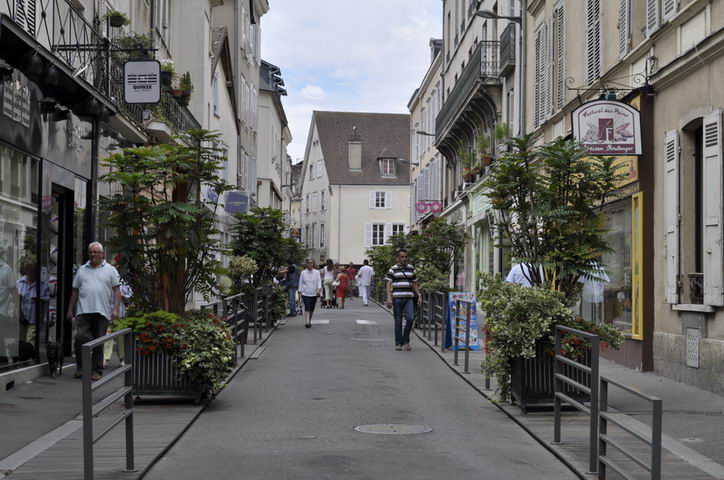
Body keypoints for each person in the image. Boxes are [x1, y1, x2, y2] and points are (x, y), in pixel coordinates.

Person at [66, 242, 121, 381]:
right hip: (83, 311)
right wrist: (70, 309)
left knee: (98, 341)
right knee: (80, 338)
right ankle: (80, 367)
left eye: (96, 252)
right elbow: (75, 291)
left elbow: (117, 290)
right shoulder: (82, 270)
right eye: (91, 252)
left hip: (102, 312)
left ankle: (96, 370)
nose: (93, 254)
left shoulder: (110, 270)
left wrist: (115, 309)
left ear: (102, 254)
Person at [386, 249, 422, 351]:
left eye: (406, 257)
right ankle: (398, 343)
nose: (404, 259)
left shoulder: (411, 268)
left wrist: (419, 295)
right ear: (398, 258)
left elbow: (414, 283)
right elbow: (388, 284)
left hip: (408, 298)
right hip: (397, 298)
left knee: (410, 319)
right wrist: (389, 297)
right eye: (402, 257)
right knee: (398, 322)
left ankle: (406, 340)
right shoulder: (393, 269)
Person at [16, 258, 49, 343]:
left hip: (34, 318)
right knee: (21, 341)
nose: (33, 274)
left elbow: (48, 300)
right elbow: (15, 300)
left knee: (30, 341)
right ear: (26, 271)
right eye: (30, 271)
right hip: (22, 318)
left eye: (35, 272)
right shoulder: (19, 283)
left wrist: (40, 299)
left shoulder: (42, 284)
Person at [299, 259, 322, 328]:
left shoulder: (317, 272)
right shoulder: (303, 273)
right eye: (308, 263)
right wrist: (300, 292)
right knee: (307, 307)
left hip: (314, 292)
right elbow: (300, 282)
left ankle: (309, 320)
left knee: (311, 308)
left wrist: (319, 289)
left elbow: (319, 281)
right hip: (305, 293)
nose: (310, 264)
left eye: (311, 263)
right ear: (306, 264)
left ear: (313, 264)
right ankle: (307, 322)